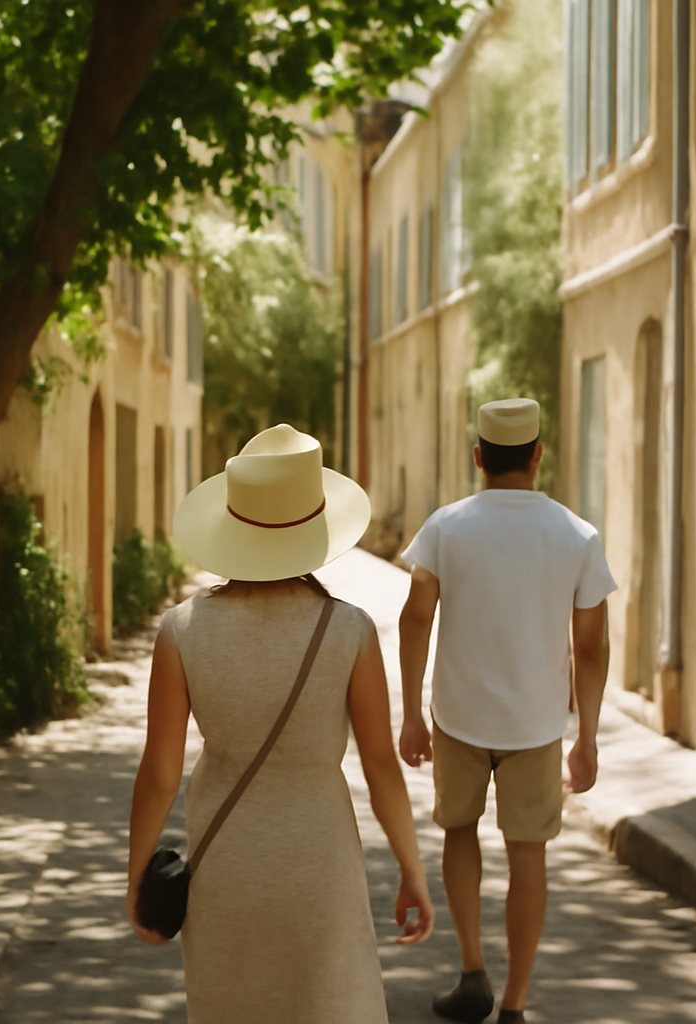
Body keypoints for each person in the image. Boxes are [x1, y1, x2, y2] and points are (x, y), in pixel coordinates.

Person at [127, 423, 435, 1023]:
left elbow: (160, 772)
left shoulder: (181, 632)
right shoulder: (350, 631)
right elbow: (379, 766)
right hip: (321, 864)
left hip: (224, 866)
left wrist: (138, 874)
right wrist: (412, 869)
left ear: (232, 524)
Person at [397, 398, 616, 1024]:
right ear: (538, 455)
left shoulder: (445, 527)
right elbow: (591, 645)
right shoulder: (576, 535)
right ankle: (515, 1004)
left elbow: (415, 618)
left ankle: (473, 972)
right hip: (537, 725)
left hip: (457, 716)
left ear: (478, 457)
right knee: (529, 854)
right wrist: (588, 736)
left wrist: (410, 712)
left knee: (458, 833)